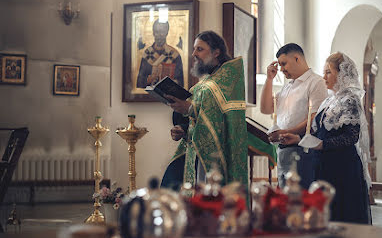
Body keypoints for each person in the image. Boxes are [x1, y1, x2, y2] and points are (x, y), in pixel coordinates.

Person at [280, 52, 372, 224]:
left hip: (342, 167)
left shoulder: (349, 99)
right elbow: (317, 132)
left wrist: (323, 145)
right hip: (323, 165)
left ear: (342, 73)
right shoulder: (329, 101)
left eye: (328, 72)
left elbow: (351, 137)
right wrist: (296, 139)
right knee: (325, 214)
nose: (324, 76)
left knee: (342, 215)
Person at [160, 30, 248, 189]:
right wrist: (183, 128)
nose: (194, 54)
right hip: (196, 151)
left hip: (216, 157)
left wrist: (190, 108)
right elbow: (198, 117)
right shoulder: (206, 82)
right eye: (194, 49)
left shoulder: (226, 80)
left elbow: (219, 121)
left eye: (200, 49)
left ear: (216, 52)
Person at [260, 43, 328, 188]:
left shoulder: (316, 82)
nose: (281, 69)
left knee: (299, 199)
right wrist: (269, 79)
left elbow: (314, 120)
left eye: (284, 64)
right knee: (285, 201)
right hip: (283, 149)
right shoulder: (288, 86)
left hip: (302, 149)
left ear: (297, 58)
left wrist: (285, 132)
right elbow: (266, 108)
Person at [136, 19, 184, 88]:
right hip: (148, 96)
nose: (159, 35)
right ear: (153, 33)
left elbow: (180, 82)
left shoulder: (174, 54)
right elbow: (140, 82)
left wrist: (171, 82)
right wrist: (149, 79)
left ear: (167, 33)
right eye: (157, 32)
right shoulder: (147, 54)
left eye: (162, 32)